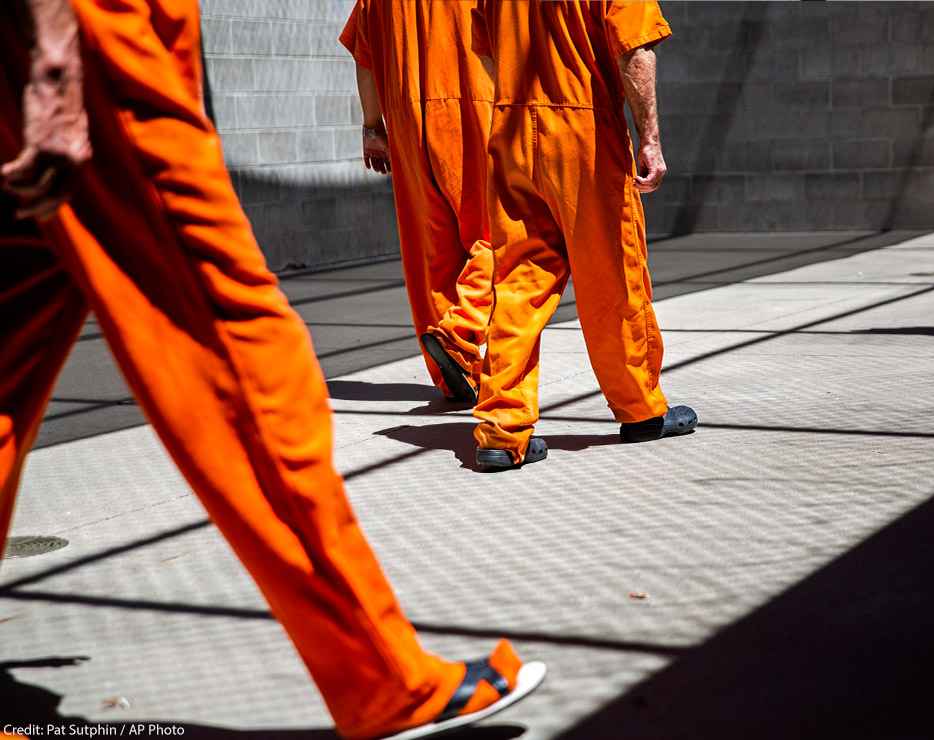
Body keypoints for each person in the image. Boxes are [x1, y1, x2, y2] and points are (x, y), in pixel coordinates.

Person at [0, 1, 542, 737]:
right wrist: (57, 53)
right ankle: (382, 678)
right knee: (234, 341)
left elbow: (362, 49)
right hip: (96, 36)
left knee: (10, 350)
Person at [469, 0, 698, 470]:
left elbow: (487, 53)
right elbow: (635, 50)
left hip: (512, 128)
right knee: (612, 275)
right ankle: (640, 410)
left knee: (517, 281)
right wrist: (649, 139)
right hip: (583, 128)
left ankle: (501, 430)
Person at [340, 0, 495, 406]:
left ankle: (454, 377)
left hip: (407, 123)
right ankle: (460, 334)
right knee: (502, 235)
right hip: (477, 111)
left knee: (432, 258)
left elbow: (364, 56)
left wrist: (373, 127)